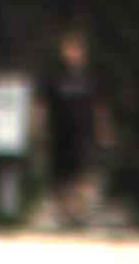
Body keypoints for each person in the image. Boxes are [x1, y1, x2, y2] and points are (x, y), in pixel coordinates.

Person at [44, 31, 108, 228]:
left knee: (83, 175)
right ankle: (64, 214)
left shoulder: (90, 79)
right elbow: (44, 106)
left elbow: (100, 107)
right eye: (68, 49)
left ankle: (81, 213)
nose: (72, 54)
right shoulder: (55, 78)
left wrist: (104, 131)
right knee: (62, 178)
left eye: (75, 50)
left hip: (84, 135)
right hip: (60, 135)